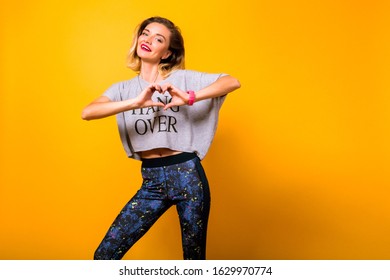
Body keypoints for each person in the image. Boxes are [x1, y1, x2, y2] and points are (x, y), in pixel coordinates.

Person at [82, 16, 240, 260]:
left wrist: (189, 97)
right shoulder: (122, 89)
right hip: (152, 182)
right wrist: (135, 101)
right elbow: (88, 112)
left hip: (187, 176)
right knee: (104, 255)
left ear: (166, 53)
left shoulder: (182, 79)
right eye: (145, 33)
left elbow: (232, 82)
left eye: (158, 39)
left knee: (193, 261)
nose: (148, 40)